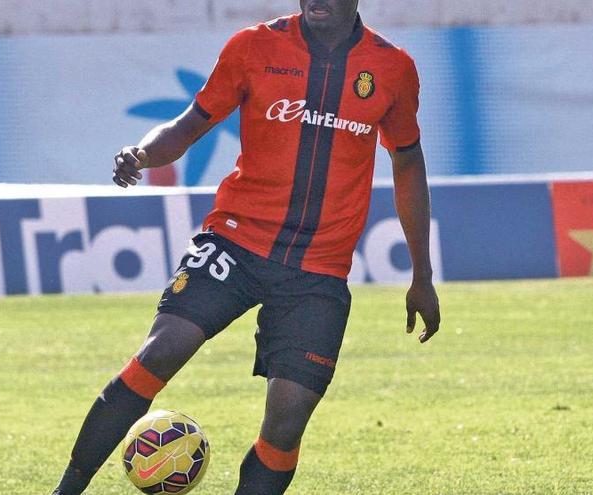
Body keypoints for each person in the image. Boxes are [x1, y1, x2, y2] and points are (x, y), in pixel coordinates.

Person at [52, 1, 440, 493]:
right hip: (235, 242)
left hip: (317, 272)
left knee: (287, 419)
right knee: (161, 351)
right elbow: (189, 124)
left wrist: (421, 275)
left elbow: (408, 164)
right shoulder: (254, 46)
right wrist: (144, 154)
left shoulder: (393, 67)